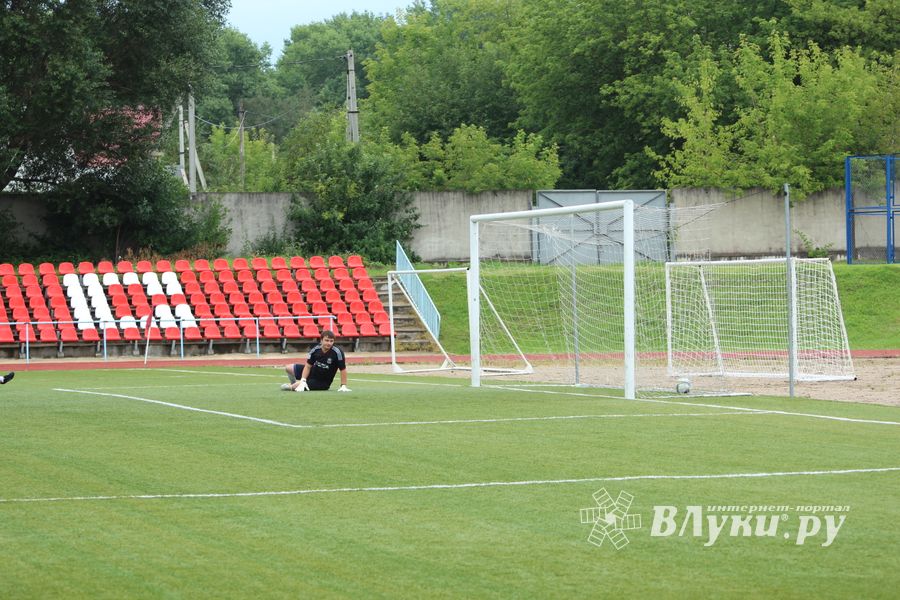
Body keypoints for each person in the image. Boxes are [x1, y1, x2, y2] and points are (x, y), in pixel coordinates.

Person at [281, 330, 350, 392]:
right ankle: (295, 383)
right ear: (321, 340)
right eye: (327, 340)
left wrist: (343, 385)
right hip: (312, 373)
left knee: (292, 387)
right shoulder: (315, 350)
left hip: (322, 382)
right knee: (288, 368)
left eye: (331, 341)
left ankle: (292, 386)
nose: (329, 343)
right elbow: (308, 366)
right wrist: (303, 380)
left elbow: (343, 369)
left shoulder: (337, 352)